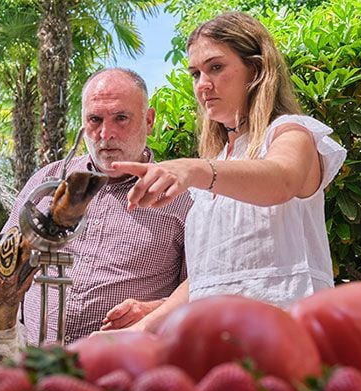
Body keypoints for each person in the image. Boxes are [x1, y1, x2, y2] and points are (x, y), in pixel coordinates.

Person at [109, 11, 347, 330]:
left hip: (286, 339)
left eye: (216, 67)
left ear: (256, 69)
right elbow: (206, 279)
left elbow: (282, 179)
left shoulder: (292, 132)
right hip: (217, 342)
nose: (203, 85)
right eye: (195, 74)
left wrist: (195, 169)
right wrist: (140, 328)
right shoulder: (221, 160)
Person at [1, 68, 193, 345]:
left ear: (149, 121)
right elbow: (5, 259)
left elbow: (203, 287)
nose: (106, 133)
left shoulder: (180, 197)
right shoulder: (47, 181)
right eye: (95, 119)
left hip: (123, 364)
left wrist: (157, 309)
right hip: (31, 359)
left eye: (121, 118)